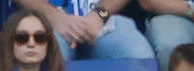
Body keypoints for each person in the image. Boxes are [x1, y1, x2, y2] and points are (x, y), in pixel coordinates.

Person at [12, 0, 155, 62]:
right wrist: (53, 16)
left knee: (138, 54)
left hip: (101, 19)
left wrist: (99, 15)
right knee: (52, 56)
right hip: (42, 19)